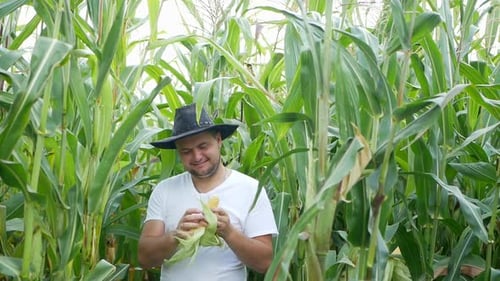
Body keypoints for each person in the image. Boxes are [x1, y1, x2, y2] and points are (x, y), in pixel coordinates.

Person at [138, 103, 278, 281]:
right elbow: (144, 258)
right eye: (186, 151)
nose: (197, 157)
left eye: (203, 146)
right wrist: (176, 236)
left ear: (218, 140)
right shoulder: (165, 190)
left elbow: (266, 262)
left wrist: (229, 232)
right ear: (179, 153)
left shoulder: (251, 189)